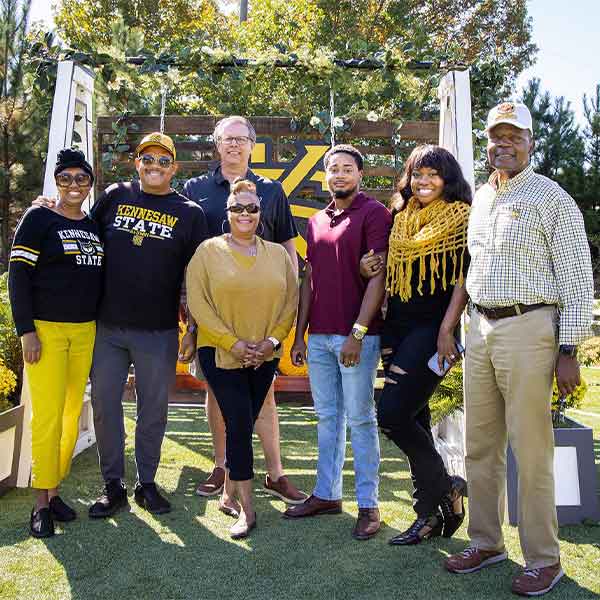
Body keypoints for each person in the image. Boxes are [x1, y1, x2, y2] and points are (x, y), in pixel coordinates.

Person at [444, 102, 594, 597]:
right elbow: (473, 270)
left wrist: (567, 349)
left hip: (531, 328)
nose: (503, 143)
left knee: (531, 450)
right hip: (481, 328)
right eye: (496, 135)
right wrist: (455, 326)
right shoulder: (483, 197)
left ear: (531, 142)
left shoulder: (552, 197)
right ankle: (486, 543)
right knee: (480, 445)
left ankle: (544, 559)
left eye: (514, 135)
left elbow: (576, 280)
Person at [35, 133, 209, 517]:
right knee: (104, 407)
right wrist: (49, 207)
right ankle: (112, 485)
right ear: (137, 162)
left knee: (154, 410)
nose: (154, 166)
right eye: (148, 158)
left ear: (174, 168)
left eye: (164, 161)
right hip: (107, 328)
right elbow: (77, 226)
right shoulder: (115, 195)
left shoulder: (190, 213)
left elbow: (197, 277)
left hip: (159, 329)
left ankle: (146, 484)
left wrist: (193, 330)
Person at [183, 116, 307, 510]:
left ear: (252, 145)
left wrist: (290, 299)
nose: (234, 145)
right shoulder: (195, 189)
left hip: (262, 315)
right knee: (217, 393)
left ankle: (275, 472)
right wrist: (188, 313)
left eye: (241, 139)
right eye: (226, 139)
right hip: (215, 312)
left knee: (264, 395)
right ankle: (222, 467)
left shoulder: (271, 191)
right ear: (216, 144)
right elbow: (186, 252)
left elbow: (288, 246)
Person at [360, 145, 471, 545]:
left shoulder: (462, 218)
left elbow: (462, 280)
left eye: (433, 175)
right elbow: (383, 265)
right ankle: (429, 512)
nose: (424, 182)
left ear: (448, 179)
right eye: (418, 175)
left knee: (391, 414)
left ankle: (445, 490)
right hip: (397, 327)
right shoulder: (399, 217)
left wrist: (447, 330)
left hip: (432, 330)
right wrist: (364, 267)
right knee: (415, 418)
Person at [284, 144, 391, 540]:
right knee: (328, 418)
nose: (340, 175)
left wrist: (358, 333)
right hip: (320, 338)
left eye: (347, 169)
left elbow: (377, 276)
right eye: (333, 169)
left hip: (356, 338)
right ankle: (327, 494)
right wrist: (300, 334)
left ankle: (369, 504)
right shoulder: (315, 222)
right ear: (325, 176)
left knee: (361, 419)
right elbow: (308, 280)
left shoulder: (375, 214)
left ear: (360, 175)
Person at [9, 148, 102, 537]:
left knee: (69, 416)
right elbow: (17, 276)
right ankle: (41, 504)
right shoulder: (39, 218)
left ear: (90, 184)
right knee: (47, 416)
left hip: (85, 331)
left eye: (82, 178)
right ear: (56, 183)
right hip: (45, 331)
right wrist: (26, 330)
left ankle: (55, 488)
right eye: (66, 178)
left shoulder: (93, 225)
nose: (74, 185)